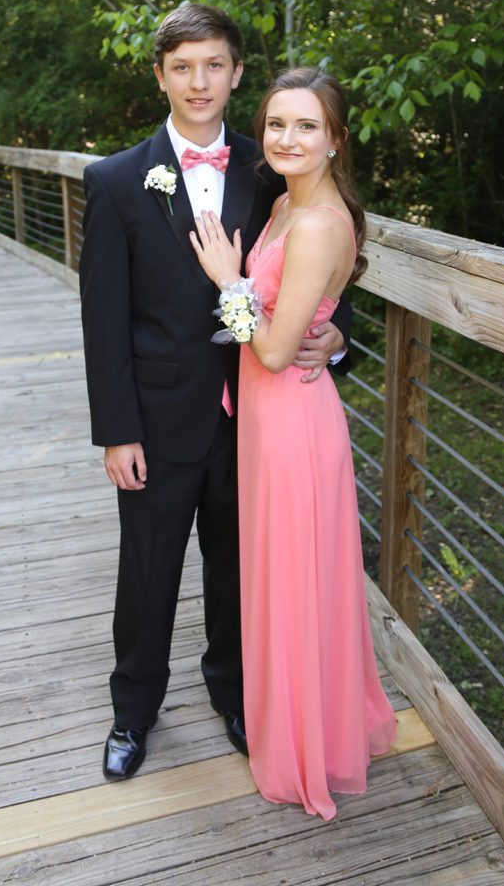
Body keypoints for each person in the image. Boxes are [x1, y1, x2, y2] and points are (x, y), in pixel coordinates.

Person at [79, 4, 353, 781]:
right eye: (182, 67)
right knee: (147, 571)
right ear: (160, 76)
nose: (199, 82)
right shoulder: (116, 181)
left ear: (236, 74)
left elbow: (327, 266)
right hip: (158, 420)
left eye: (214, 66)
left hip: (257, 423)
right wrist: (117, 430)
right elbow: (102, 318)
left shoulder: (275, 167)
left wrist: (337, 337)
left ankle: (236, 697)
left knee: (240, 572)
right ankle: (133, 711)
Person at [190, 66, 397, 820]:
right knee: (281, 577)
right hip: (265, 419)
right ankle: (295, 722)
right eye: (277, 123)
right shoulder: (283, 203)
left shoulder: (316, 223)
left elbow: (276, 351)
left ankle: (306, 746)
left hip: (292, 424)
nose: (287, 138)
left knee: (293, 579)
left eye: (307, 125)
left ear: (335, 138)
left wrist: (227, 279)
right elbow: (300, 316)